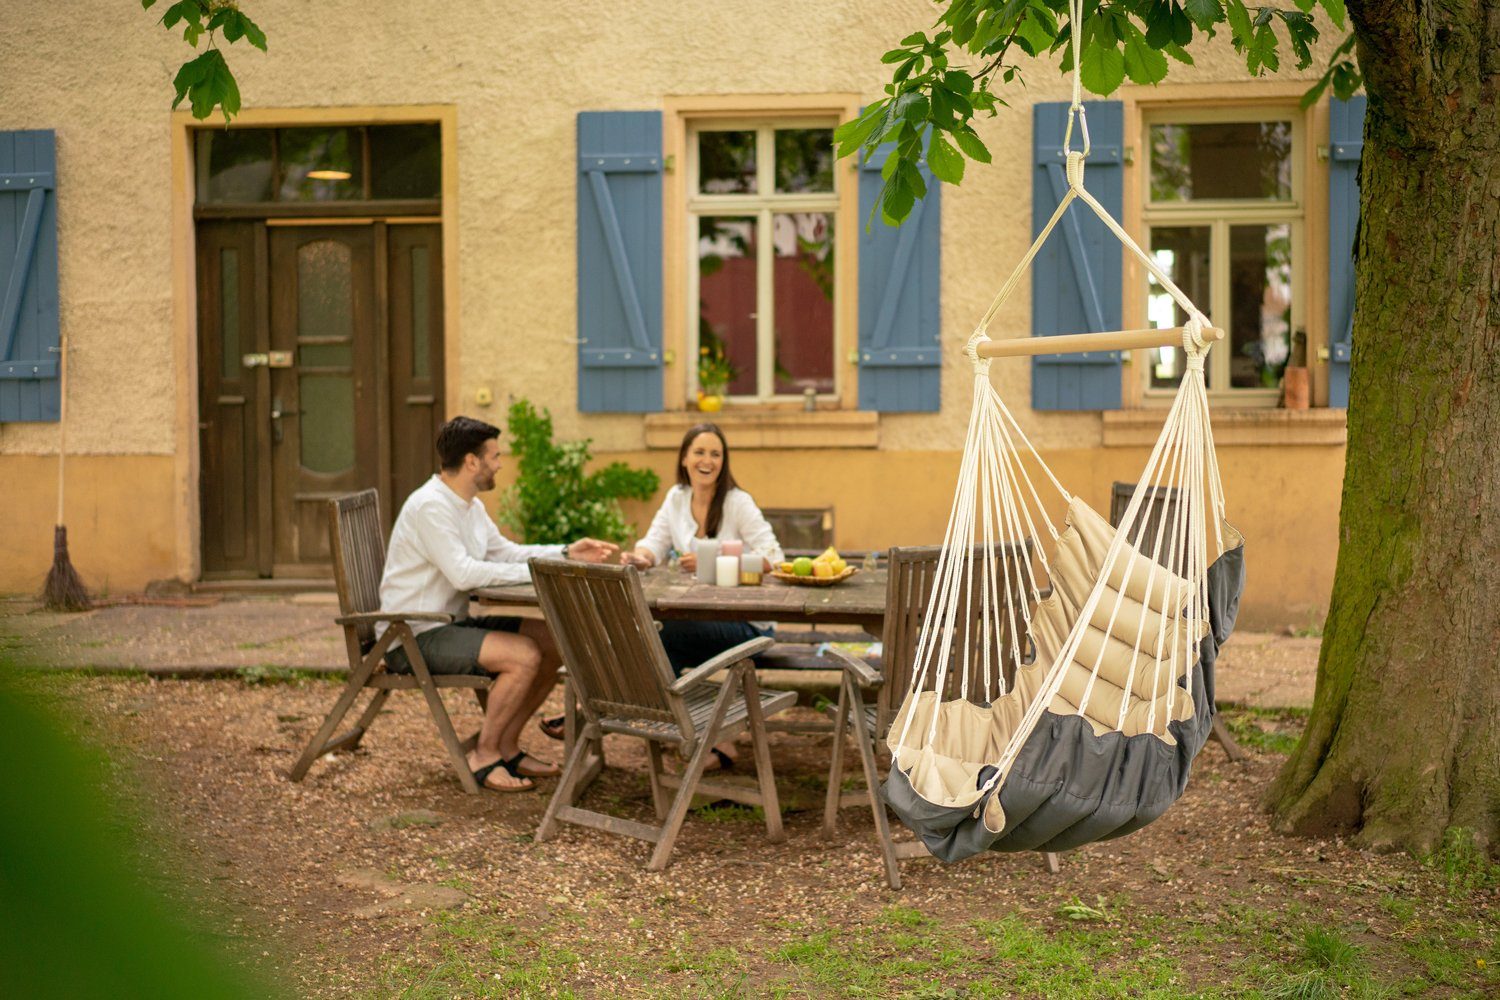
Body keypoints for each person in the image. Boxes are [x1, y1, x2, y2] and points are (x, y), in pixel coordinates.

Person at [378, 416, 618, 792]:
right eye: (495, 455)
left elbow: (504, 553)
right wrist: (538, 571)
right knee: (522, 655)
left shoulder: (468, 506)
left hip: (450, 623)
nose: (500, 463)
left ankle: (506, 745)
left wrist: (567, 553)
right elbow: (464, 575)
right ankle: (484, 754)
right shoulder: (431, 506)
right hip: (413, 633)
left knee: (553, 640)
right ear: (472, 461)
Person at [622, 422, 785, 770]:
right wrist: (641, 557)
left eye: (715, 453)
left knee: (663, 636)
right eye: (699, 452)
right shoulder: (676, 498)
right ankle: (708, 736)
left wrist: (712, 561)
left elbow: (775, 558)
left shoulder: (738, 503)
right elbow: (654, 541)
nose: (707, 460)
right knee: (658, 637)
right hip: (700, 621)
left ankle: (689, 732)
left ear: (723, 462)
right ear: (684, 458)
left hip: (748, 627)